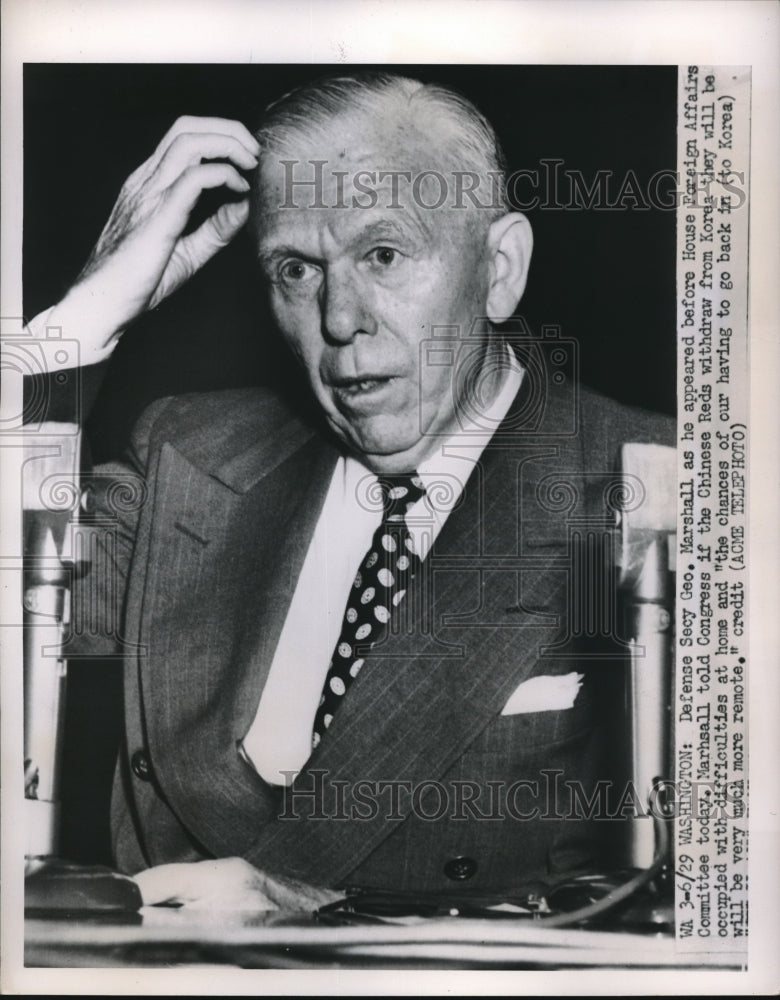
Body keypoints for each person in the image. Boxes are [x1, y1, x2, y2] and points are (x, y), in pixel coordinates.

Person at [27, 72, 673, 910]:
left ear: (499, 268)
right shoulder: (189, 456)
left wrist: (310, 907)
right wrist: (82, 321)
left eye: (384, 254)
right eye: (296, 269)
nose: (339, 318)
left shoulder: (659, 487)